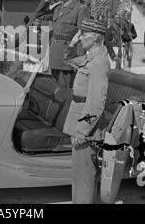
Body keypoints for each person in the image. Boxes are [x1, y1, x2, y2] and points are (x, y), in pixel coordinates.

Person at [62, 18, 110, 204]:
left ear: (96, 36)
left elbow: (97, 102)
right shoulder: (91, 57)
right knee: (80, 175)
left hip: (86, 128)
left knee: (83, 178)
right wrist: (72, 44)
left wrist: (82, 130)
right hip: (80, 121)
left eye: (84, 34)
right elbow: (67, 60)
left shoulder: (98, 62)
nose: (80, 37)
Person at [34, 0, 89, 88]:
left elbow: (82, 34)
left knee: (65, 89)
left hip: (68, 57)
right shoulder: (58, 8)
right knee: (54, 88)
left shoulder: (80, 8)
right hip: (55, 54)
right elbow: (39, 15)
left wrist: (79, 60)